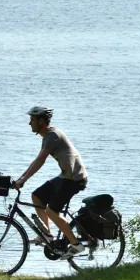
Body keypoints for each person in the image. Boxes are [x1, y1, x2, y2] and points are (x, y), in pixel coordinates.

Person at [13, 106, 88, 260]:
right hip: (65, 176)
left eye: (32, 120)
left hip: (74, 179)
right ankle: (47, 234)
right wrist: (21, 178)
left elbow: (41, 160)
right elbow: (37, 159)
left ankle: (76, 244)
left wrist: (23, 180)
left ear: (41, 121)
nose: (29, 123)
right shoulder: (48, 135)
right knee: (37, 196)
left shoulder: (52, 135)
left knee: (51, 211)